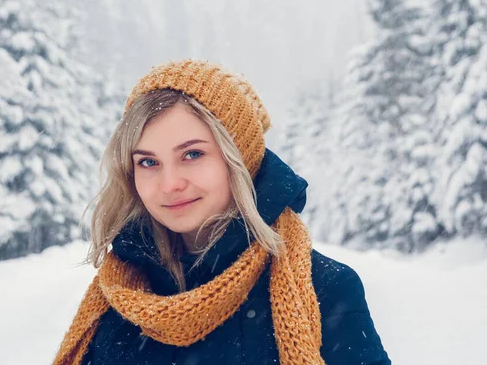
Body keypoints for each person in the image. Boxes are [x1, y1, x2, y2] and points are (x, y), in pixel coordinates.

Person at [53, 60, 391, 365]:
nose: (169, 183)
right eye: (148, 162)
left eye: (192, 155)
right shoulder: (119, 295)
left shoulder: (326, 289)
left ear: (239, 159)